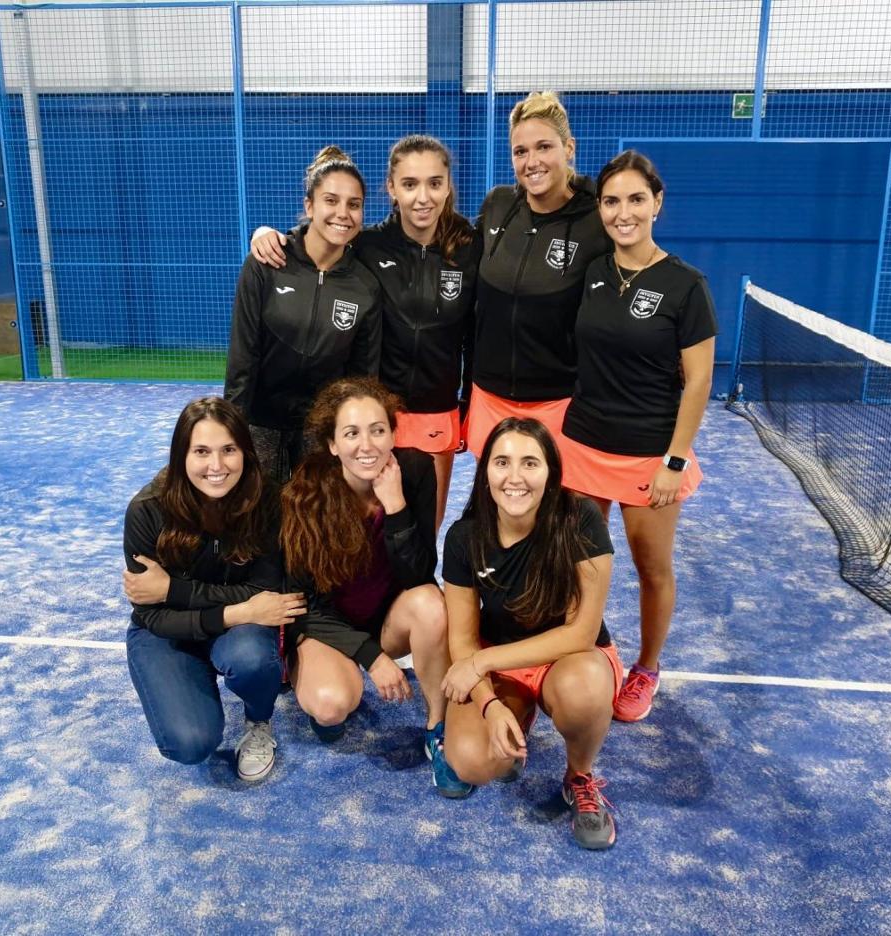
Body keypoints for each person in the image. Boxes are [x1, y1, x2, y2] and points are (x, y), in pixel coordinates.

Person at [250, 135, 480, 529]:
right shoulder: (368, 244)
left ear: (448, 186)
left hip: (437, 414)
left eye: (434, 183)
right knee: (367, 528)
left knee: (424, 530)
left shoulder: (469, 248)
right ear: (391, 188)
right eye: (409, 184)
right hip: (378, 414)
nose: (422, 197)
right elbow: (321, 237)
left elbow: (475, 334)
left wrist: (466, 402)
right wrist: (272, 236)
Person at [559, 150, 717, 722]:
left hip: (650, 451)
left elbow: (698, 380)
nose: (623, 212)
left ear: (657, 204)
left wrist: (674, 461)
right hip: (581, 444)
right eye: (611, 201)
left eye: (635, 199)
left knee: (652, 567)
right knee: (578, 561)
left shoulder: (684, 286)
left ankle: (646, 668)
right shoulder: (593, 269)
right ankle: (596, 647)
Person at [280, 376, 473, 797]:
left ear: (391, 434)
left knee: (429, 603)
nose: (366, 445)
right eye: (351, 433)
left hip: (387, 618)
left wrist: (396, 505)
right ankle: (308, 671)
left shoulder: (415, 470)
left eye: (377, 430)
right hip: (325, 625)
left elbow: (419, 575)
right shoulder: (306, 495)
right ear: (332, 445)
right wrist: (371, 658)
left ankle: (437, 727)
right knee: (331, 707)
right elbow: (304, 604)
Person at [439, 418, 622, 850]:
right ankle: (518, 712)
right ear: (485, 473)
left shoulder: (581, 520)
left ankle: (578, 775)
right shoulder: (464, 537)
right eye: (501, 462)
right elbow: (463, 640)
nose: (515, 477)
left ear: (551, 472)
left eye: (530, 463)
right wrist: (489, 706)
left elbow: (582, 632)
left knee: (585, 692)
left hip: (570, 658)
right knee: (470, 763)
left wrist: (481, 663)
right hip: (502, 656)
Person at [123, 397, 308, 782]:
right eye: (202, 451)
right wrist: (238, 612)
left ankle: (259, 723)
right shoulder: (147, 509)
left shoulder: (269, 501)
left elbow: (267, 591)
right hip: (168, 632)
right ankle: (194, 678)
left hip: (238, 632)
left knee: (251, 658)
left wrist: (172, 589)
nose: (217, 466)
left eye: (229, 450)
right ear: (181, 456)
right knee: (190, 744)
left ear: (246, 451)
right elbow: (150, 612)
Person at [464, 90, 612, 455]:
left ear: (569, 148)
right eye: (520, 151)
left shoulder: (598, 219)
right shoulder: (498, 206)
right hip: (490, 397)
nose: (532, 161)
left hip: (561, 403)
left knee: (567, 513)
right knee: (498, 508)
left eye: (544, 147)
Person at [225, 146, 382, 483]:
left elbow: (360, 377)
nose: (343, 213)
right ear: (309, 205)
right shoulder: (267, 263)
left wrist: (349, 435)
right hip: (260, 422)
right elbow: (242, 356)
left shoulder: (365, 286)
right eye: (331, 200)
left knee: (314, 523)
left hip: (320, 430)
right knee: (259, 518)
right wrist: (232, 431)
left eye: (354, 205)